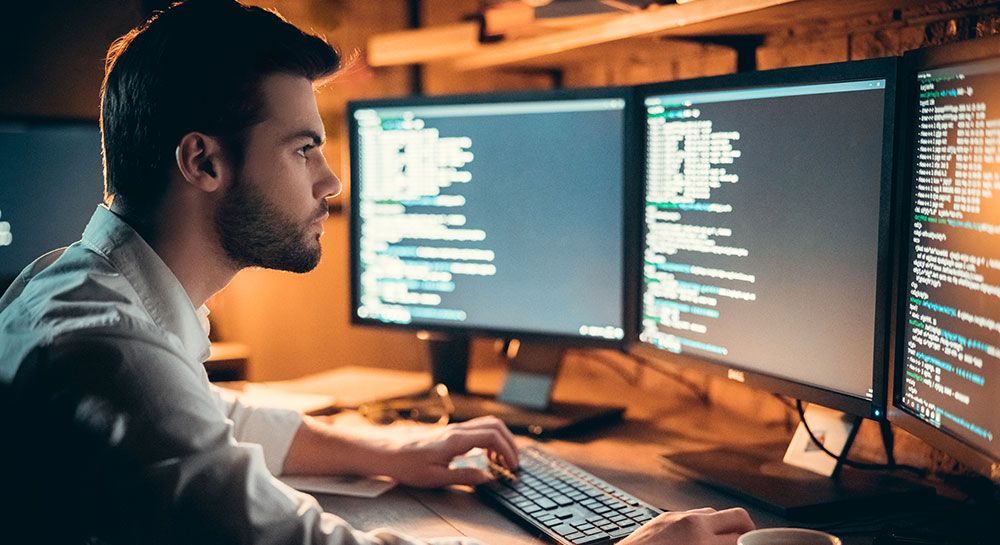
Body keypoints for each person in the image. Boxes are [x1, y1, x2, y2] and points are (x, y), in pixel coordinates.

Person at [0, 1, 754, 543]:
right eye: (303, 149)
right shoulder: (107, 351)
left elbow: (203, 416)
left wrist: (389, 449)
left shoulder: (82, 291)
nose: (330, 183)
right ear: (203, 160)